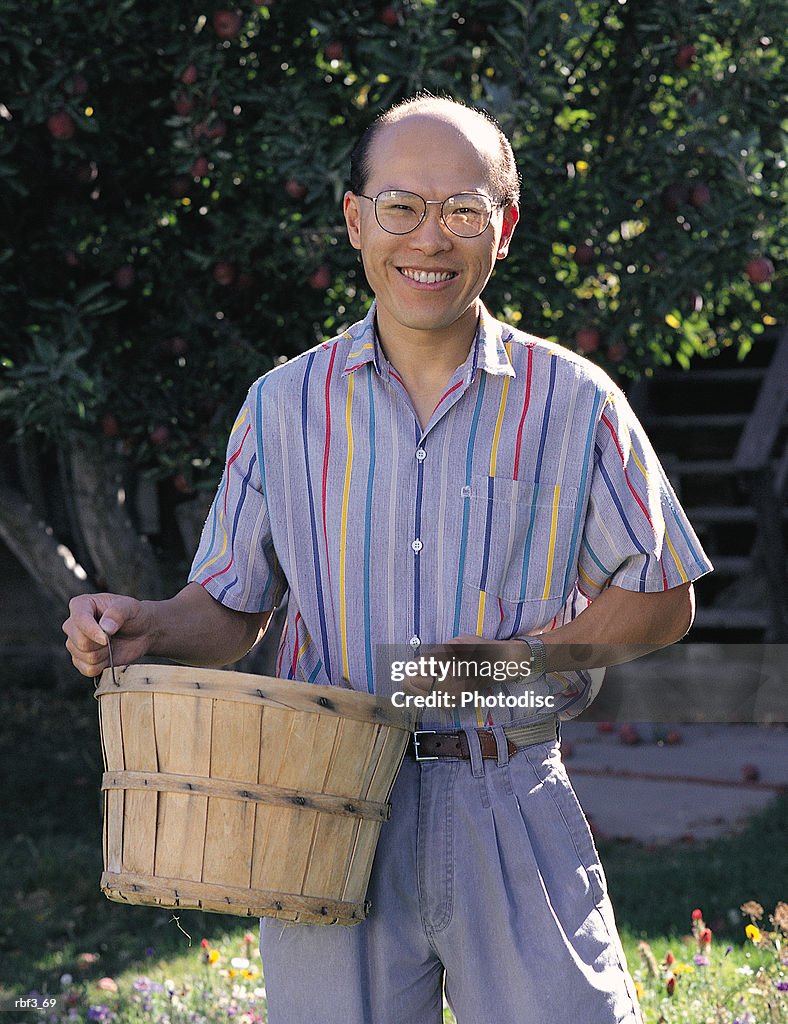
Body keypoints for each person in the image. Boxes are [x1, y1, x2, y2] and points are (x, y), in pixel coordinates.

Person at [64, 94, 712, 1023]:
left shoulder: (575, 401)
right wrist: (146, 628)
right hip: (322, 810)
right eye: (402, 206)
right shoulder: (281, 407)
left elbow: (662, 597)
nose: (430, 238)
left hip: (508, 796)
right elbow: (232, 607)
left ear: (505, 227)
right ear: (355, 219)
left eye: (463, 211)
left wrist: (513, 667)